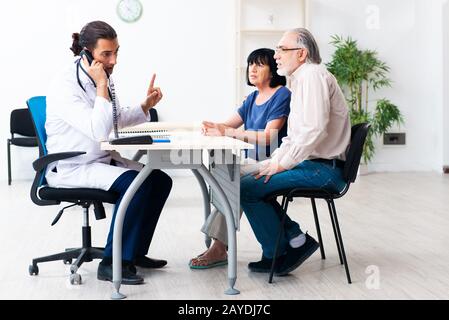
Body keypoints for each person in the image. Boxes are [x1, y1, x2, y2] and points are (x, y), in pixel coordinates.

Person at [45, 21, 172, 285]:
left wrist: (144, 106)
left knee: (159, 180)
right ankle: (113, 263)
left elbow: (112, 119)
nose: (113, 60)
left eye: (116, 52)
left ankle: (134, 253)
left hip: (98, 160)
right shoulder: (65, 84)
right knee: (137, 184)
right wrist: (102, 85)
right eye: (106, 54)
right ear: (87, 53)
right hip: (72, 165)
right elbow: (99, 130)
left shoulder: (100, 79)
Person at [240, 28, 351, 276]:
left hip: (324, 170)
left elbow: (313, 129)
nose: (276, 55)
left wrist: (283, 164)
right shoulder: (301, 79)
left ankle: (279, 252)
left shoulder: (312, 76)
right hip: (313, 165)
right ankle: (294, 240)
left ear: (301, 54)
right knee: (247, 179)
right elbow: (295, 136)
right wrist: (276, 161)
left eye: (282, 49)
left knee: (246, 187)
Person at [189, 48, 292, 269]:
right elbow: (227, 125)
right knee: (225, 177)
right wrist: (214, 127)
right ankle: (218, 247)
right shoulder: (252, 98)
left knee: (230, 182)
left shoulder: (282, 94)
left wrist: (227, 131)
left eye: (259, 64)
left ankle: (218, 248)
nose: (252, 69)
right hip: (251, 162)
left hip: (272, 163)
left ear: (273, 71)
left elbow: (268, 137)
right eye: (250, 64)